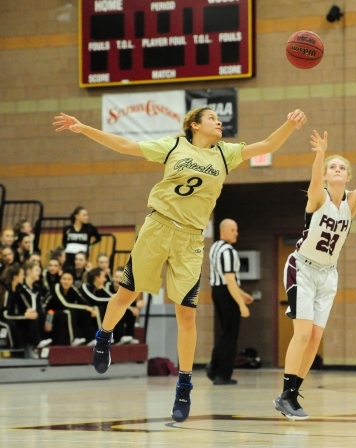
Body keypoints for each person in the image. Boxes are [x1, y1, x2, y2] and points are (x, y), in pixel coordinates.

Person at [53, 105, 307, 422]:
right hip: (157, 228)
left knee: (187, 315)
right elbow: (126, 146)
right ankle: (104, 337)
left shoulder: (226, 154)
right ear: (195, 124)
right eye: (212, 118)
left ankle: (184, 384)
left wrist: (288, 123)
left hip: (190, 239)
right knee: (125, 295)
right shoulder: (173, 145)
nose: (218, 122)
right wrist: (84, 128)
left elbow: (267, 146)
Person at [273, 130, 356, 421]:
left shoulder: (353, 201)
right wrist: (320, 155)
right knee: (302, 333)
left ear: (348, 176)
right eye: (333, 167)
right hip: (301, 267)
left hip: (328, 274)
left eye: (342, 167)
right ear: (327, 176)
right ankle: (287, 394)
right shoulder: (318, 196)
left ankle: (288, 396)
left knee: (316, 339)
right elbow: (315, 179)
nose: (337, 170)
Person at [207, 218, 254, 385]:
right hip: (227, 294)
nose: (236, 233)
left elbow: (223, 279)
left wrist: (242, 294)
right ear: (224, 230)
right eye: (233, 230)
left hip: (217, 292)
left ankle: (214, 366)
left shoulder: (214, 248)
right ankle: (221, 373)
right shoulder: (228, 251)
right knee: (230, 334)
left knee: (225, 332)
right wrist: (241, 304)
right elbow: (230, 280)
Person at [2, 263, 53, 358]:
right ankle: (23, 348)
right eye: (21, 275)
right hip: (4, 317)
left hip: (13, 315)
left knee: (37, 314)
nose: (23, 277)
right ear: (15, 277)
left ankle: (36, 344)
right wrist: (24, 316)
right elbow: (5, 313)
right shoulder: (8, 290)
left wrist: (27, 314)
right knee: (16, 323)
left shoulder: (16, 289)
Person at [43, 270, 99, 346]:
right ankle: (73, 339)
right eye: (64, 279)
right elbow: (65, 304)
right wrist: (86, 307)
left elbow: (82, 300)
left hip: (62, 312)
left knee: (85, 312)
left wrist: (91, 309)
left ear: (72, 281)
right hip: (49, 313)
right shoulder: (56, 287)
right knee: (70, 311)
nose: (66, 281)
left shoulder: (73, 288)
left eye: (69, 279)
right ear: (60, 280)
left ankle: (91, 339)